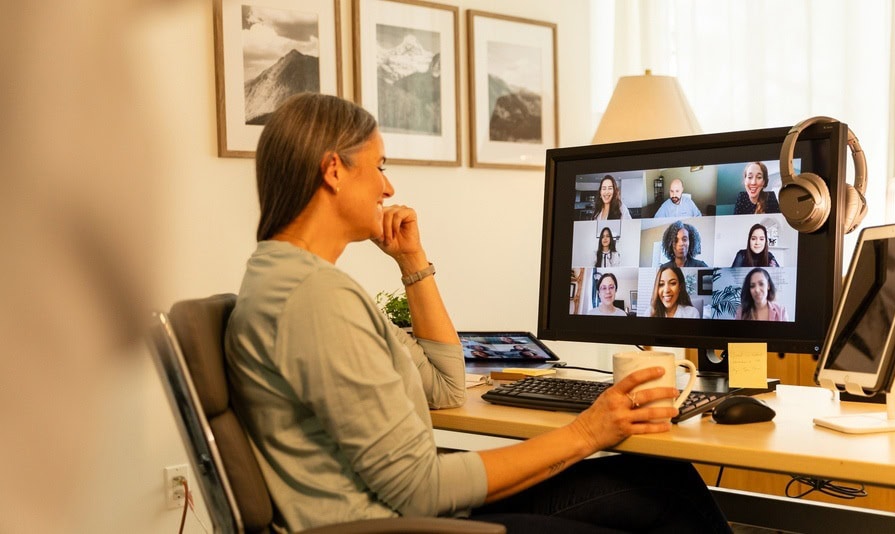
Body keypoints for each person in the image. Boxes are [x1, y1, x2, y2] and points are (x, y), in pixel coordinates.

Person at [225, 93, 730, 533]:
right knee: (665, 506)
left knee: (666, 480)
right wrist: (587, 432)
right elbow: (420, 488)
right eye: (379, 165)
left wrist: (412, 262)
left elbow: (446, 388)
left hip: (406, 512)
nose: (388, 188)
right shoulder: (317, 298)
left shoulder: (288, 279)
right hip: (401, 526)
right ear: (334, 170)